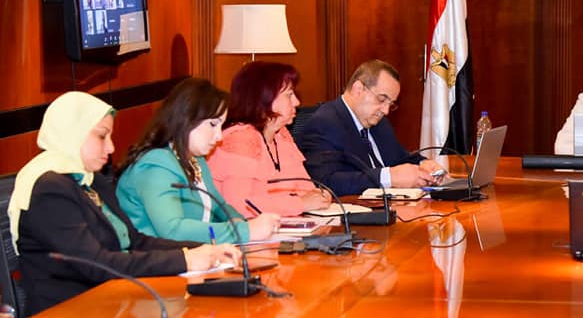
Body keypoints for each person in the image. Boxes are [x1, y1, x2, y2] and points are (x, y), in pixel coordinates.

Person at [8, 91, 239, 315]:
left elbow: (135, 241)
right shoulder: (48, 190)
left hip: (110, 305)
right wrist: (184, 260)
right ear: (72, 133)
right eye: (102, 136)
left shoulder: (91, 179)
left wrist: (202, 250)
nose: (111, 148)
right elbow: (96, 264)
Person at [116, 78, 280, 244]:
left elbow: (219, 207)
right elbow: (173, 230)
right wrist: (244, 231)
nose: (219, 137)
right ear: (187, 118)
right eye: (213, 125)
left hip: (191, 254)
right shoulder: (156, 166)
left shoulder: (196, 160)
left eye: (221, 126)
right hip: (156, 257)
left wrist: (238, 221)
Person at [297, 59, 445, 196]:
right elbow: (326, 182)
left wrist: (423, 164)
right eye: (381, 99)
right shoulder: (325, 123)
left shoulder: (379, 123)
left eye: (390, 104)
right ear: (358, 89)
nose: (385, 111)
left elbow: (400, 158)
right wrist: (388, 178)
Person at [207, 62, 332, 217]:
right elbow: (238, 206)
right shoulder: (240, 138)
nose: (297, 102)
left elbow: (305, 188)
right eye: (289, 95)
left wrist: (319, 196)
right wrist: (300, 203)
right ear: (264, 98)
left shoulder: (281, 134)